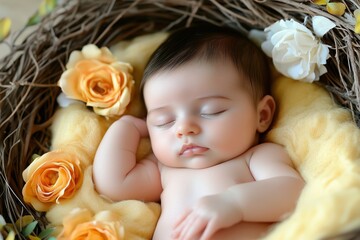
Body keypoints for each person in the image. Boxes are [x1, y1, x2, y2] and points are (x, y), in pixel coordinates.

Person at [93, 26, 305, 240]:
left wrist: (234, 203)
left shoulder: (257, 157)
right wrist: (125, 128)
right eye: (163, 121)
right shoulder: (164, 169)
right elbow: (114, 185)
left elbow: (293, 192)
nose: (183, 128)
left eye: (210, 111)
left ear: (262, 115)